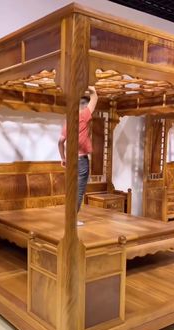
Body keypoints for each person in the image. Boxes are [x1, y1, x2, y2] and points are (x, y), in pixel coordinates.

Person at [58, 86, 98, 225]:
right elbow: (95, 96)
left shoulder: (68, 120)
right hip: (81, 160)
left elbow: (60, 142)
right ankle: (72, 219)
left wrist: (63, 158)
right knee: (79, 190)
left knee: (72, 189)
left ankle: (69, 217)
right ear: (83, 106)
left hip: (70, 159)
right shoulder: (83, 115)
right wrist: (87, 85)